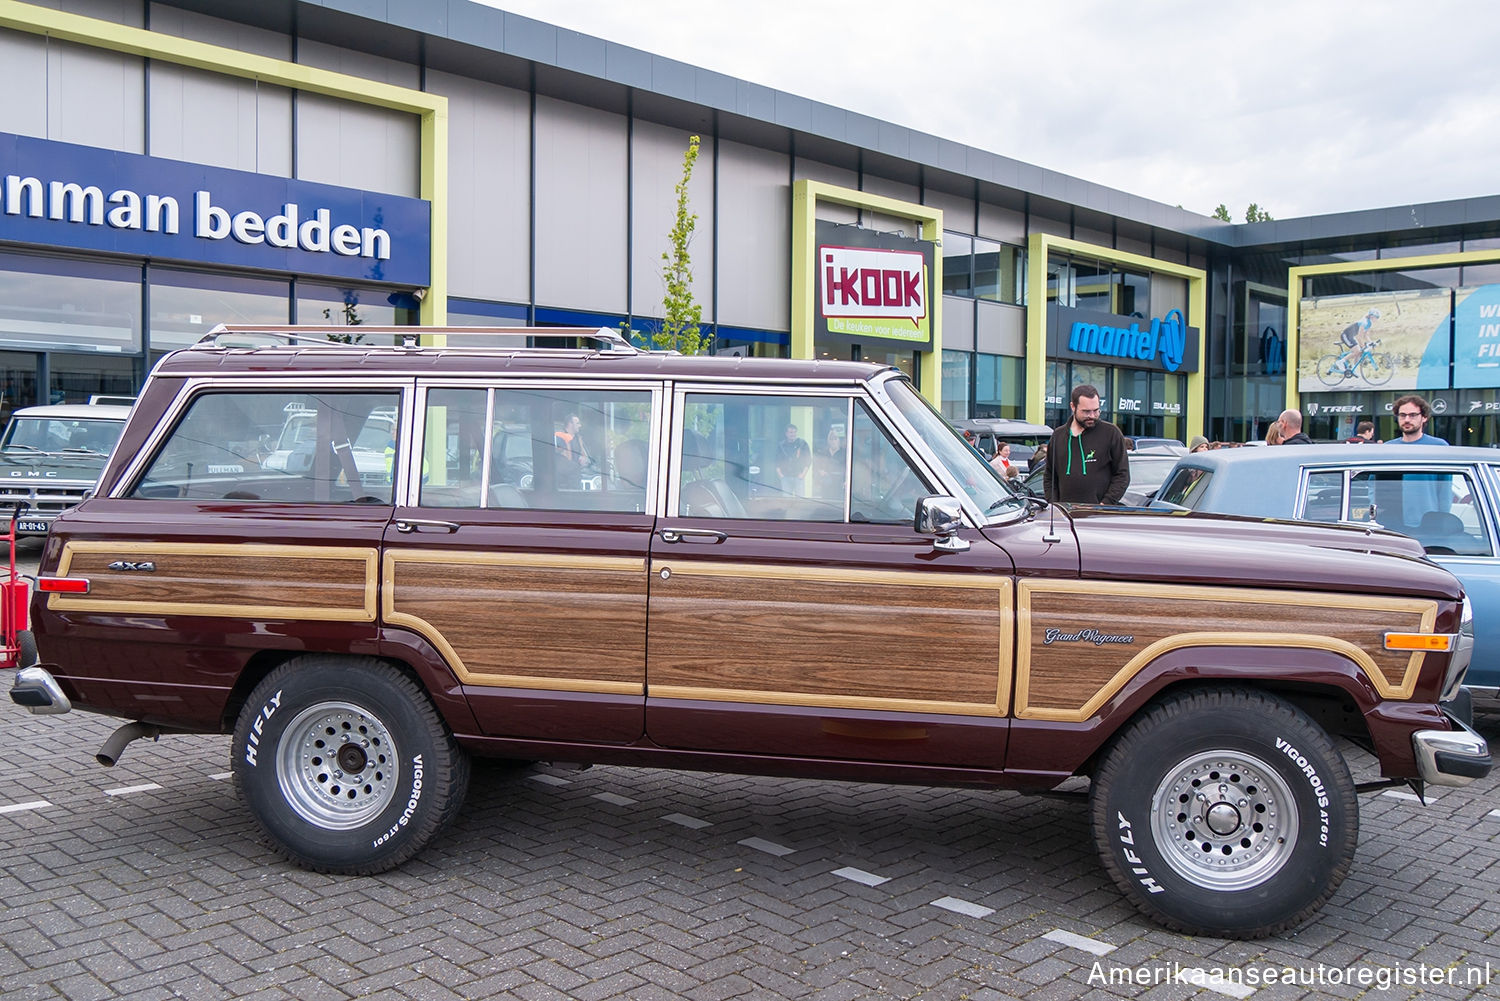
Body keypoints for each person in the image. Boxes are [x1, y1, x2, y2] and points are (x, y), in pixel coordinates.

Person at [1044, 384, 1129, 505]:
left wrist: (1106, 503)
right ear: (1073, 407)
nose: (1092, 416)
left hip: (1097, 516)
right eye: (1086, 412)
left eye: (1096, 411)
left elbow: (1122, 475)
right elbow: (1049, 476)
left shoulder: (1111, 433)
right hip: (1063, 515)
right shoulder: (1058, 436)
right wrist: (1054, 504)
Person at [1336, 308, 1379, 373]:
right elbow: (1359, 337)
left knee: (1359, 352)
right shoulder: (1364, 322)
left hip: (1351, 336)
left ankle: (1353, 370)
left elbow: (1366, 335)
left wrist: (1371, 343)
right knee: (1357, 351)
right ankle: (1340, 362)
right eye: (1377, 317)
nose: (1377, 319)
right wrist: (1363, 346)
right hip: (1345, 335)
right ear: (1372, 316)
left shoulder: (1369, 323)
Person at [776, 422, 812, 496]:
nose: (793, 434)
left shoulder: (802, 444)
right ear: (786, 433)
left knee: (800, 502)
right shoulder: (781, 445)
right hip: (785, 477)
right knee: (786, 502)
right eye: (791, 432)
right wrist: (781, 476)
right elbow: (776, 461)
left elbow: (808, 460)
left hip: (798, 477)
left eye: (795, 432)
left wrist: (803, 475)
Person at [812, 427, 846, 498]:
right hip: (826, 483)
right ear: (828, 441)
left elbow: (848, 468)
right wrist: (820, 471)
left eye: (835, 439)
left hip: (839, 484)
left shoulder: (844, 453)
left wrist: (846, 481)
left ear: (838, 440)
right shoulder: (824, 452)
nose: (833, 441)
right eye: (831, 439)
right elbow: (816, 465)